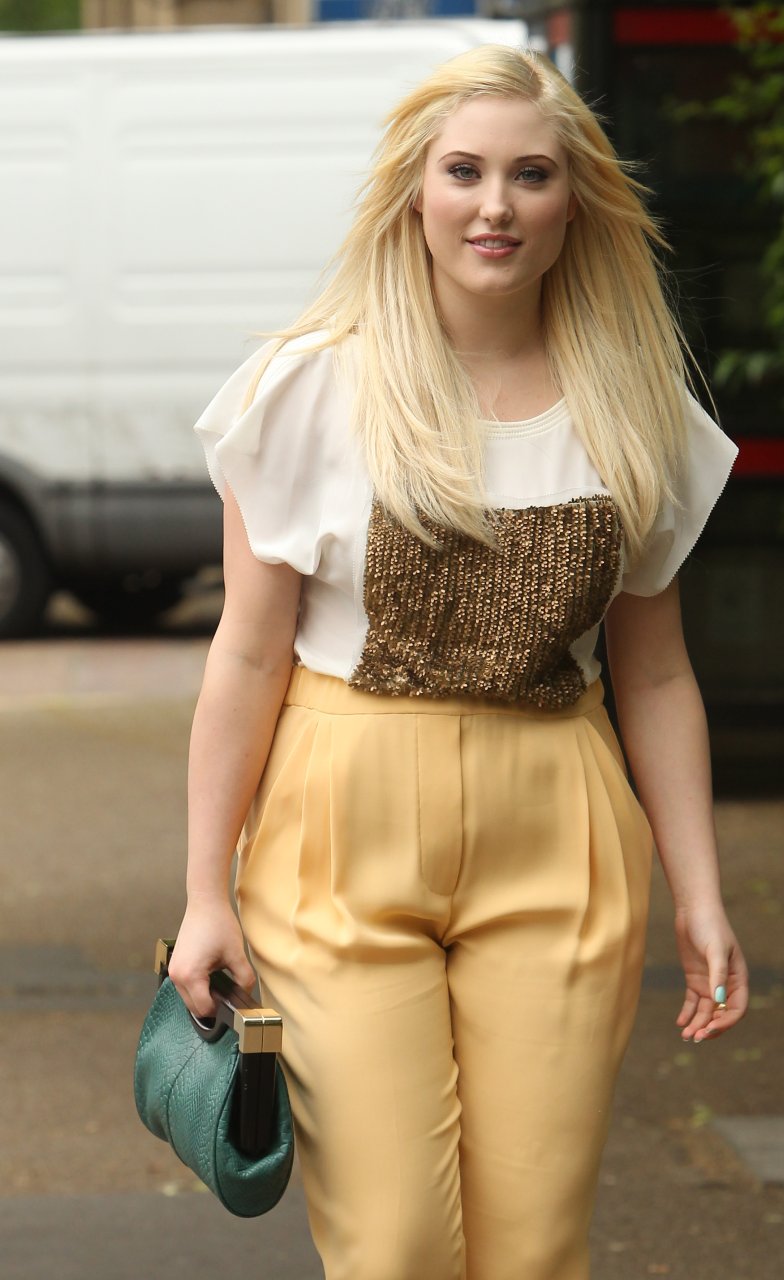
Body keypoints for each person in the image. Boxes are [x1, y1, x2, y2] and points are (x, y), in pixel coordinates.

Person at [169, 43, 749, 1280]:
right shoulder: (308, 389)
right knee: (396, 1246)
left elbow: (655, 674)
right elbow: (248, 653)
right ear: (414, 193)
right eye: (465, 172)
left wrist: (698, 887)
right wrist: (205, 890)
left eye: (531, 174)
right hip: (341, 831)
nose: (497, 205)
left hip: (561, 831)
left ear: (575, 201)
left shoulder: (635, 402)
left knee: (532, 1246)